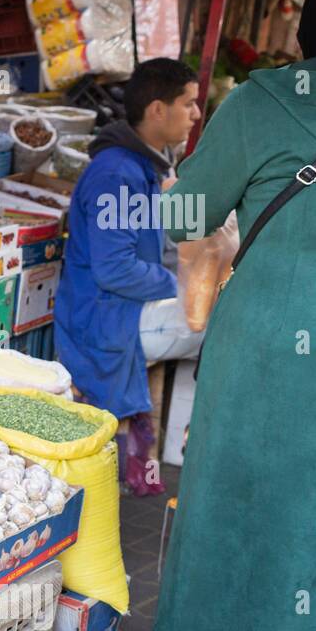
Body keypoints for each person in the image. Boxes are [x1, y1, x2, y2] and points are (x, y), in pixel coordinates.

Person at [139, 0, 316, 631]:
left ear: (315, 21)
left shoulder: (270, 101)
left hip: (279, 353)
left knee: (248, 506)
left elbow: (187, 213)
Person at [53, 58, 205, 493]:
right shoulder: (117, 174)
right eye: (189, 104)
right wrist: (180, 285)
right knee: (218, 320)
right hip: (101, 319)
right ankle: (192, 454)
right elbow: (115, 269)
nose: (196, 115)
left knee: (215, 309)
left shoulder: (147, 166)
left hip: (124, 306)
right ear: (158, 109)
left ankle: (180, 451)